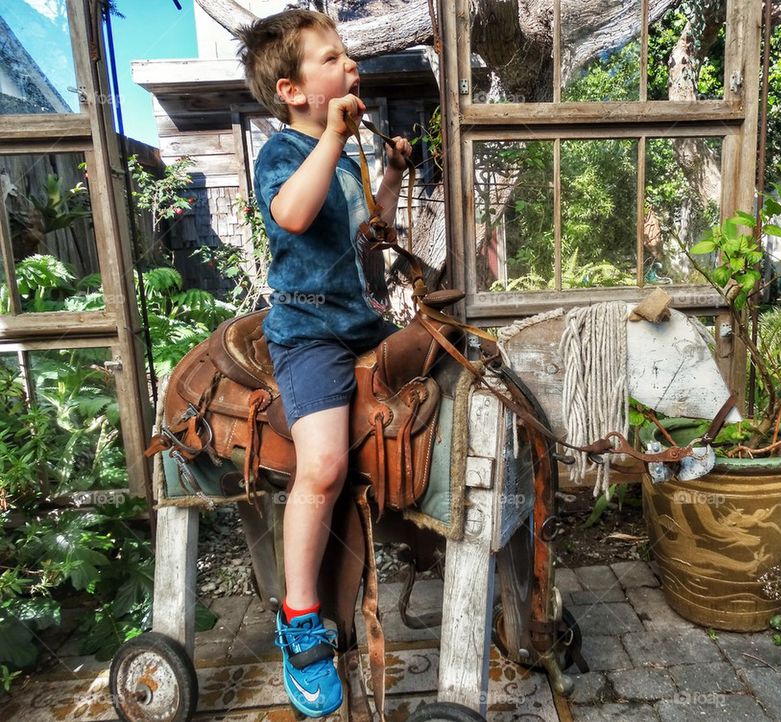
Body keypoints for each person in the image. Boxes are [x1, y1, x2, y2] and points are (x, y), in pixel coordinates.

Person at [237, 9, 412, 718]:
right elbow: (293, 216)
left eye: (349, 58)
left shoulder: (343, 155)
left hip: (361, 319)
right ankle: (300, 617)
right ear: (291, 89)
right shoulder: (284, 152)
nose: (351, 67)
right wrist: (335, 136)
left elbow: (370, 231)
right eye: (333, 58)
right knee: (323, 466)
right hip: (308, 330)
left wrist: (391, 177)